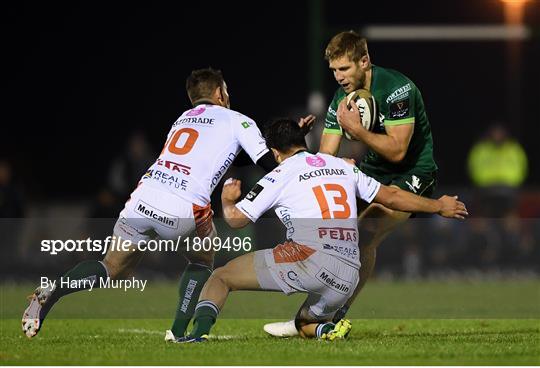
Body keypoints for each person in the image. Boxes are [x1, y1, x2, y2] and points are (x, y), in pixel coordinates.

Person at [22, 68, 313, 340]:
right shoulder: (237, 119)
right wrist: (293, 142)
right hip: (183, 206)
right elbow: (268, 164)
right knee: (202, 261)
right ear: (220, 94)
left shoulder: (182, 119)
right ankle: (176, 332)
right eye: (226, 90)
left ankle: (53, 291)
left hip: (143, 197)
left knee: (110, 267)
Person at [174, 119, 466, 342]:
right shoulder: (342, 165)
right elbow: (391, 196)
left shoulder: (280, 173)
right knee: (304, 324)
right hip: (348, 273)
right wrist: (438, 205)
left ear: (275, 153)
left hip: (307, 259)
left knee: (221, 277)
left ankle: (197, 336)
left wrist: (227, 202)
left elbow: (237, 220)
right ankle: (327, 327)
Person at [264, 31, 439, 337]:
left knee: (364, 234)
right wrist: (297, 144)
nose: (339, 77)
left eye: (344, 69)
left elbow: (398, 151)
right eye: (334, 70)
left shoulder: (397, 89)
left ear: (364, 61)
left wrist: (357, 131)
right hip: (373, 170)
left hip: (413, 172)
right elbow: (326, 157)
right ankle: (311, 317)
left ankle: (328, 317)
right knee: (331, 233)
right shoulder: (340, 99)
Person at [467, 123, 528, 217]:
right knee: (483, 215)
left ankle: (511, 231)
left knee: (510, 215)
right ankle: (485, 231)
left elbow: (521, 168)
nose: (497, 135)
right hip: (486, 188)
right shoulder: (481, 149)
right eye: (495, 133)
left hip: (508, 188)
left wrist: (510, 182)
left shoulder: (514, 149)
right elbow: (473, 168)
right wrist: (486, 182)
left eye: (500, 133)